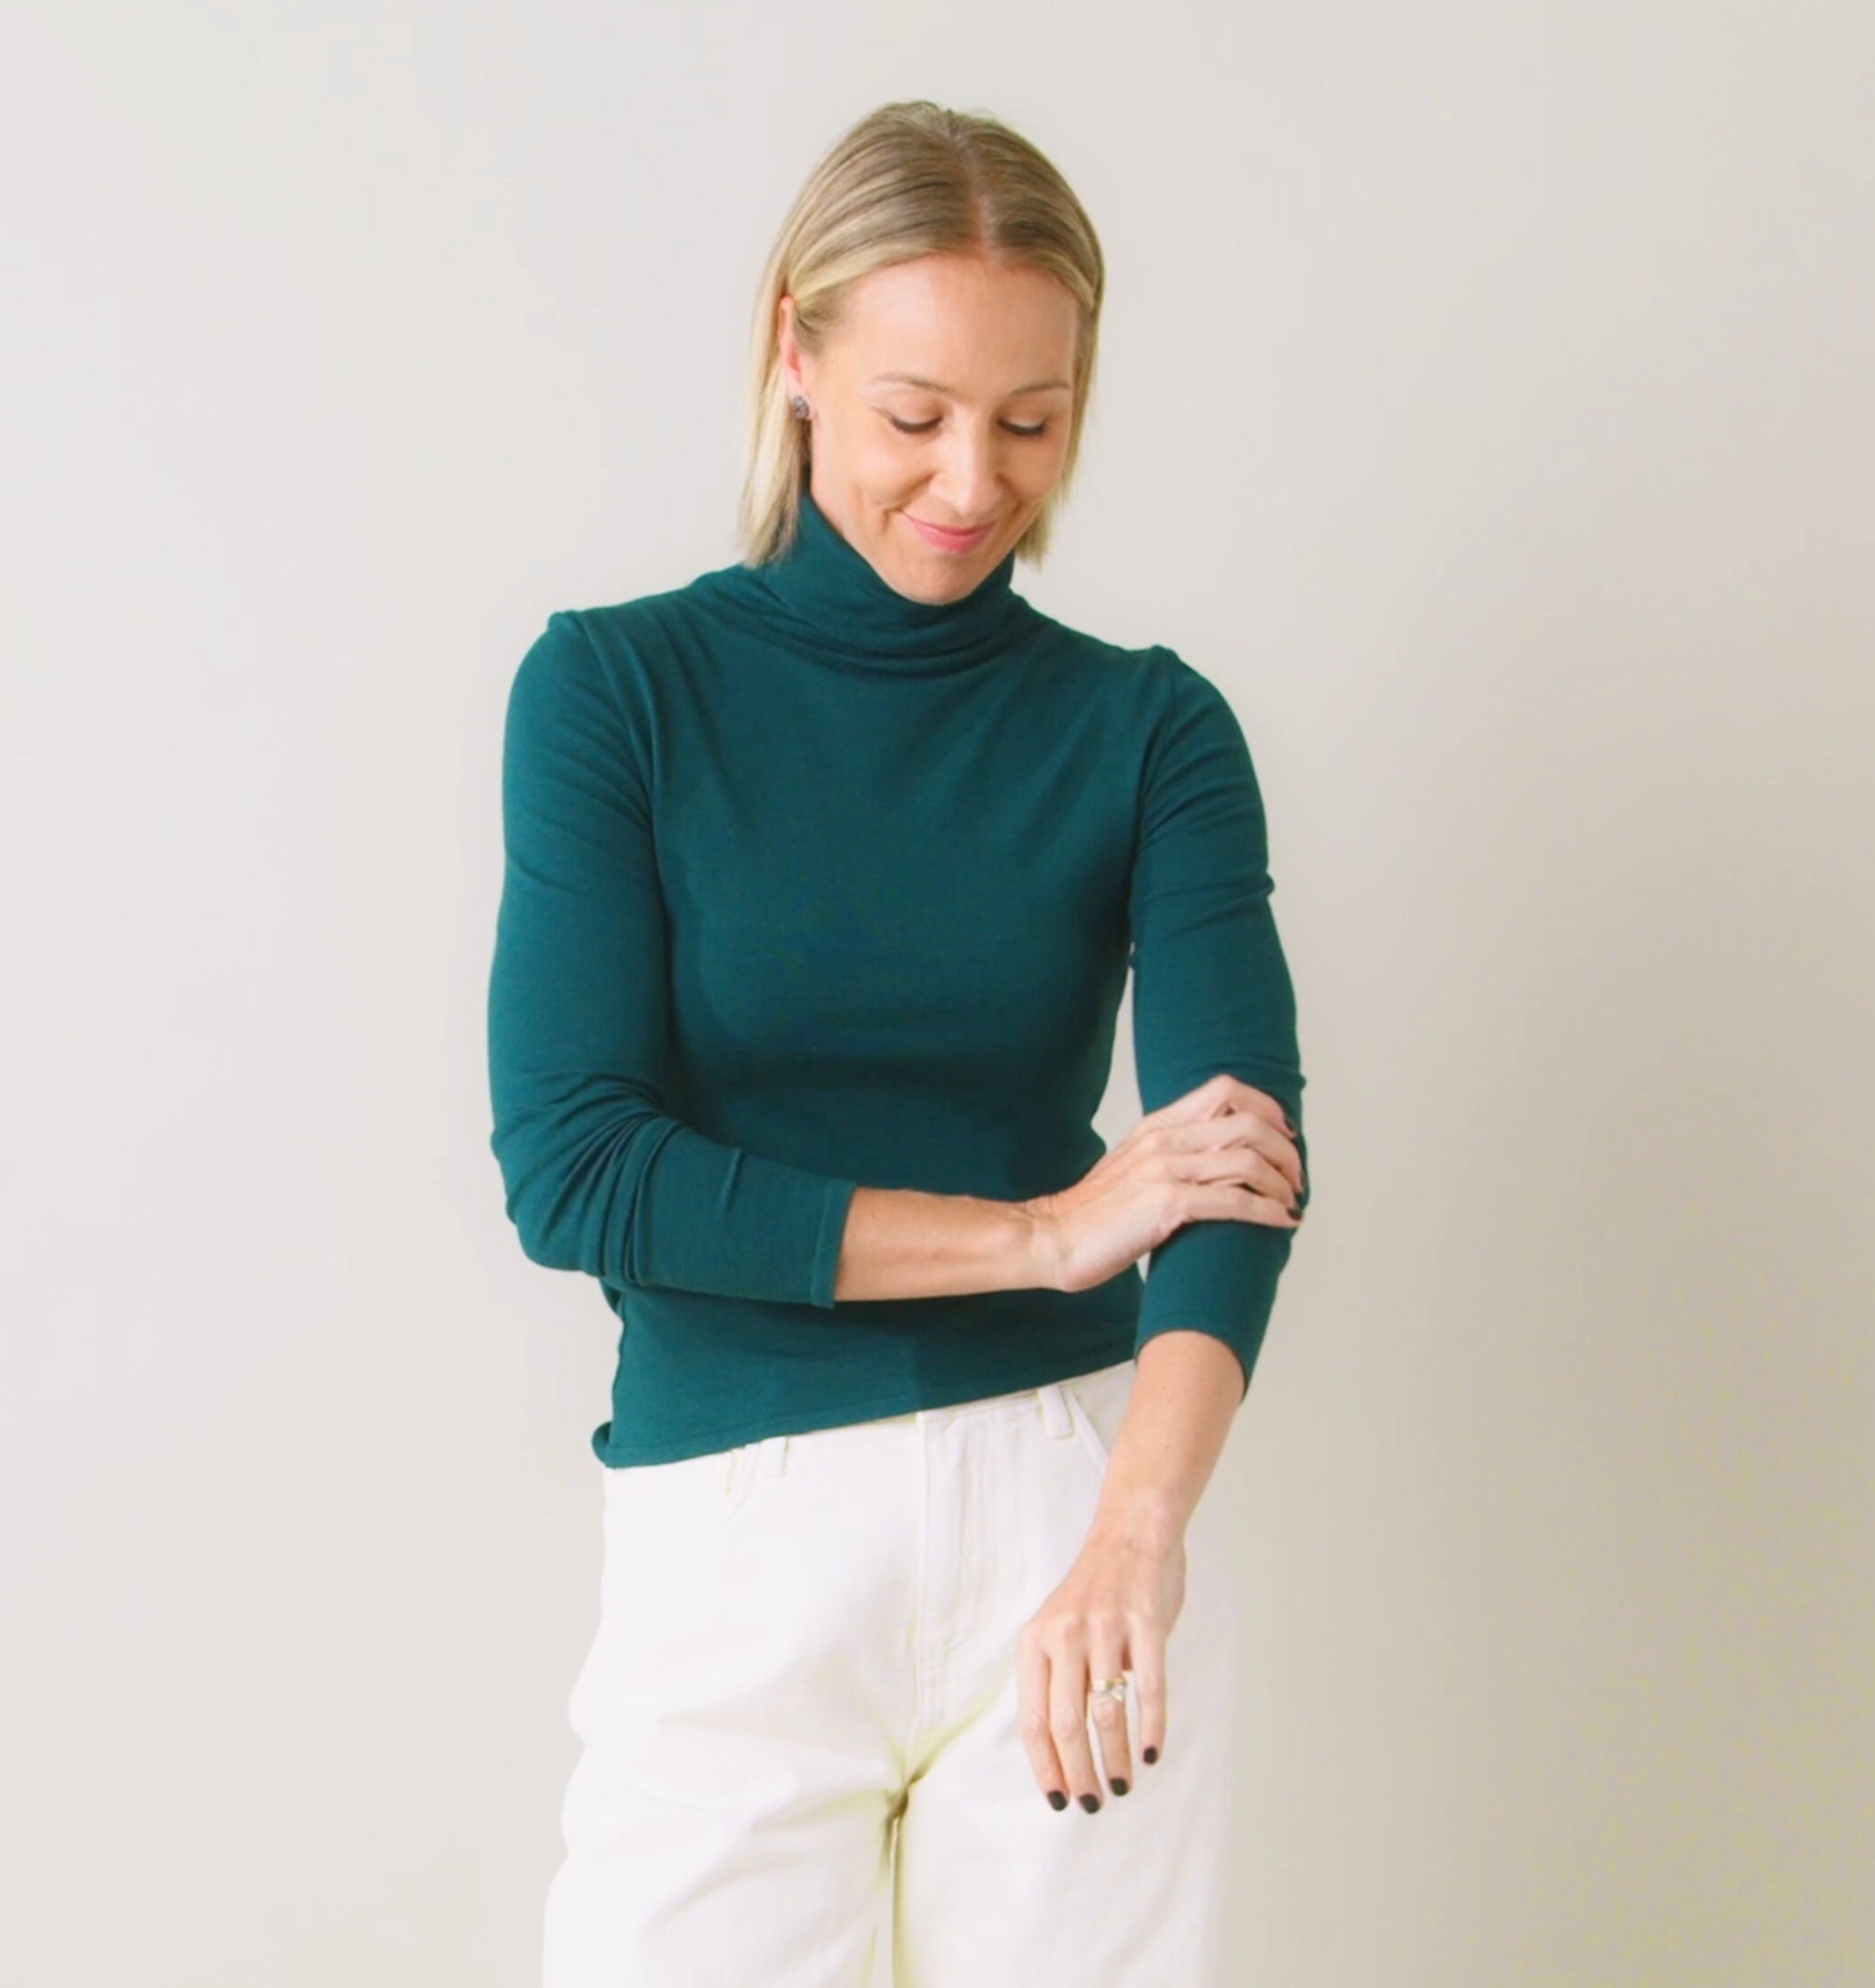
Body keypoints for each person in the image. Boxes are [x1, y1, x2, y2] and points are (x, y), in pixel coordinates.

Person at [487, 98, 1312, 1988]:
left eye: (1030, 421)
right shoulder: (619, 691)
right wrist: (1042, 1234)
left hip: (1072, 1512)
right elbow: (581, 1168)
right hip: (741, 1533)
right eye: (914, 414)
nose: (968, 481)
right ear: (796, 352)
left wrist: (1138, 1532)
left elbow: (1236, 1163)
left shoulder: (1148, 730)